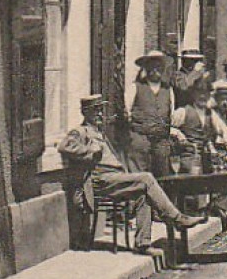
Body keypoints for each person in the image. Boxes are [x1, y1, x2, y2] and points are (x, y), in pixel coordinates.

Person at [59, 95, 201, 254]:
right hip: (100, 180)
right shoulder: (80, 131)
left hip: (113, 178)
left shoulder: (99, 132)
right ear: (85, 113)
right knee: (146, 178)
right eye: (95, 111)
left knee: (143, 194)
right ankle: (177, 218)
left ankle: (143, 244)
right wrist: (90, 151)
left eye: (101, 110)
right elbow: (64, 147)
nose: (100, 114)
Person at [128, 50, 182, 177]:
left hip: (161, 140)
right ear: (146, 68)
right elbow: (127, 113)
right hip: (140, 140)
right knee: (140, 177)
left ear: (163, 68)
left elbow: (171, 114)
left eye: (158, 66)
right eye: (151, 66)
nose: (155, 70)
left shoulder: (168, 90)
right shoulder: (135, 87)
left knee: (163, 177)